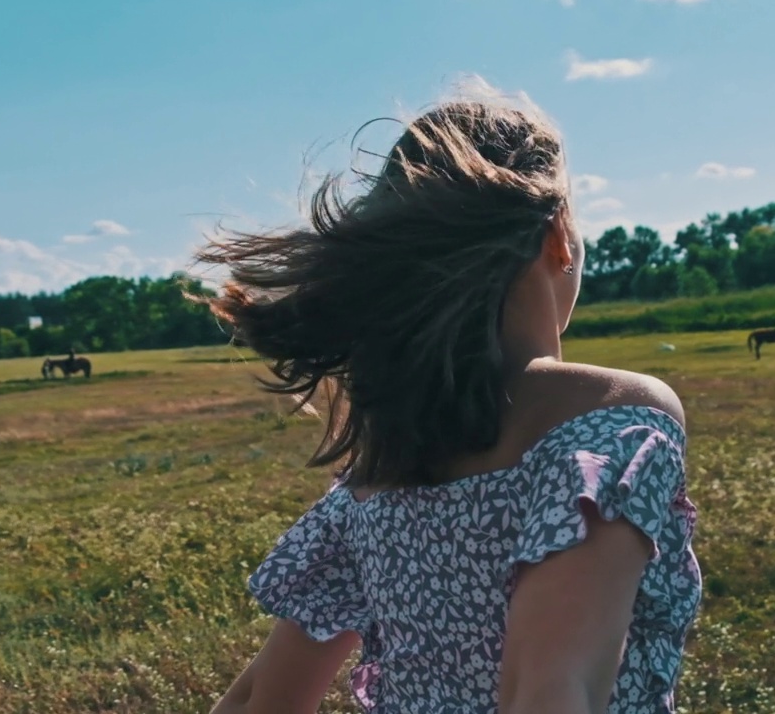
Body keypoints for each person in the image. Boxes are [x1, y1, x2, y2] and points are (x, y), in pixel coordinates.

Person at [200, 78, 701, 714]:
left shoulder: (377, 470)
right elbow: (553, 691)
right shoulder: (611, 423)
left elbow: (259, 702)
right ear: (558, 234)